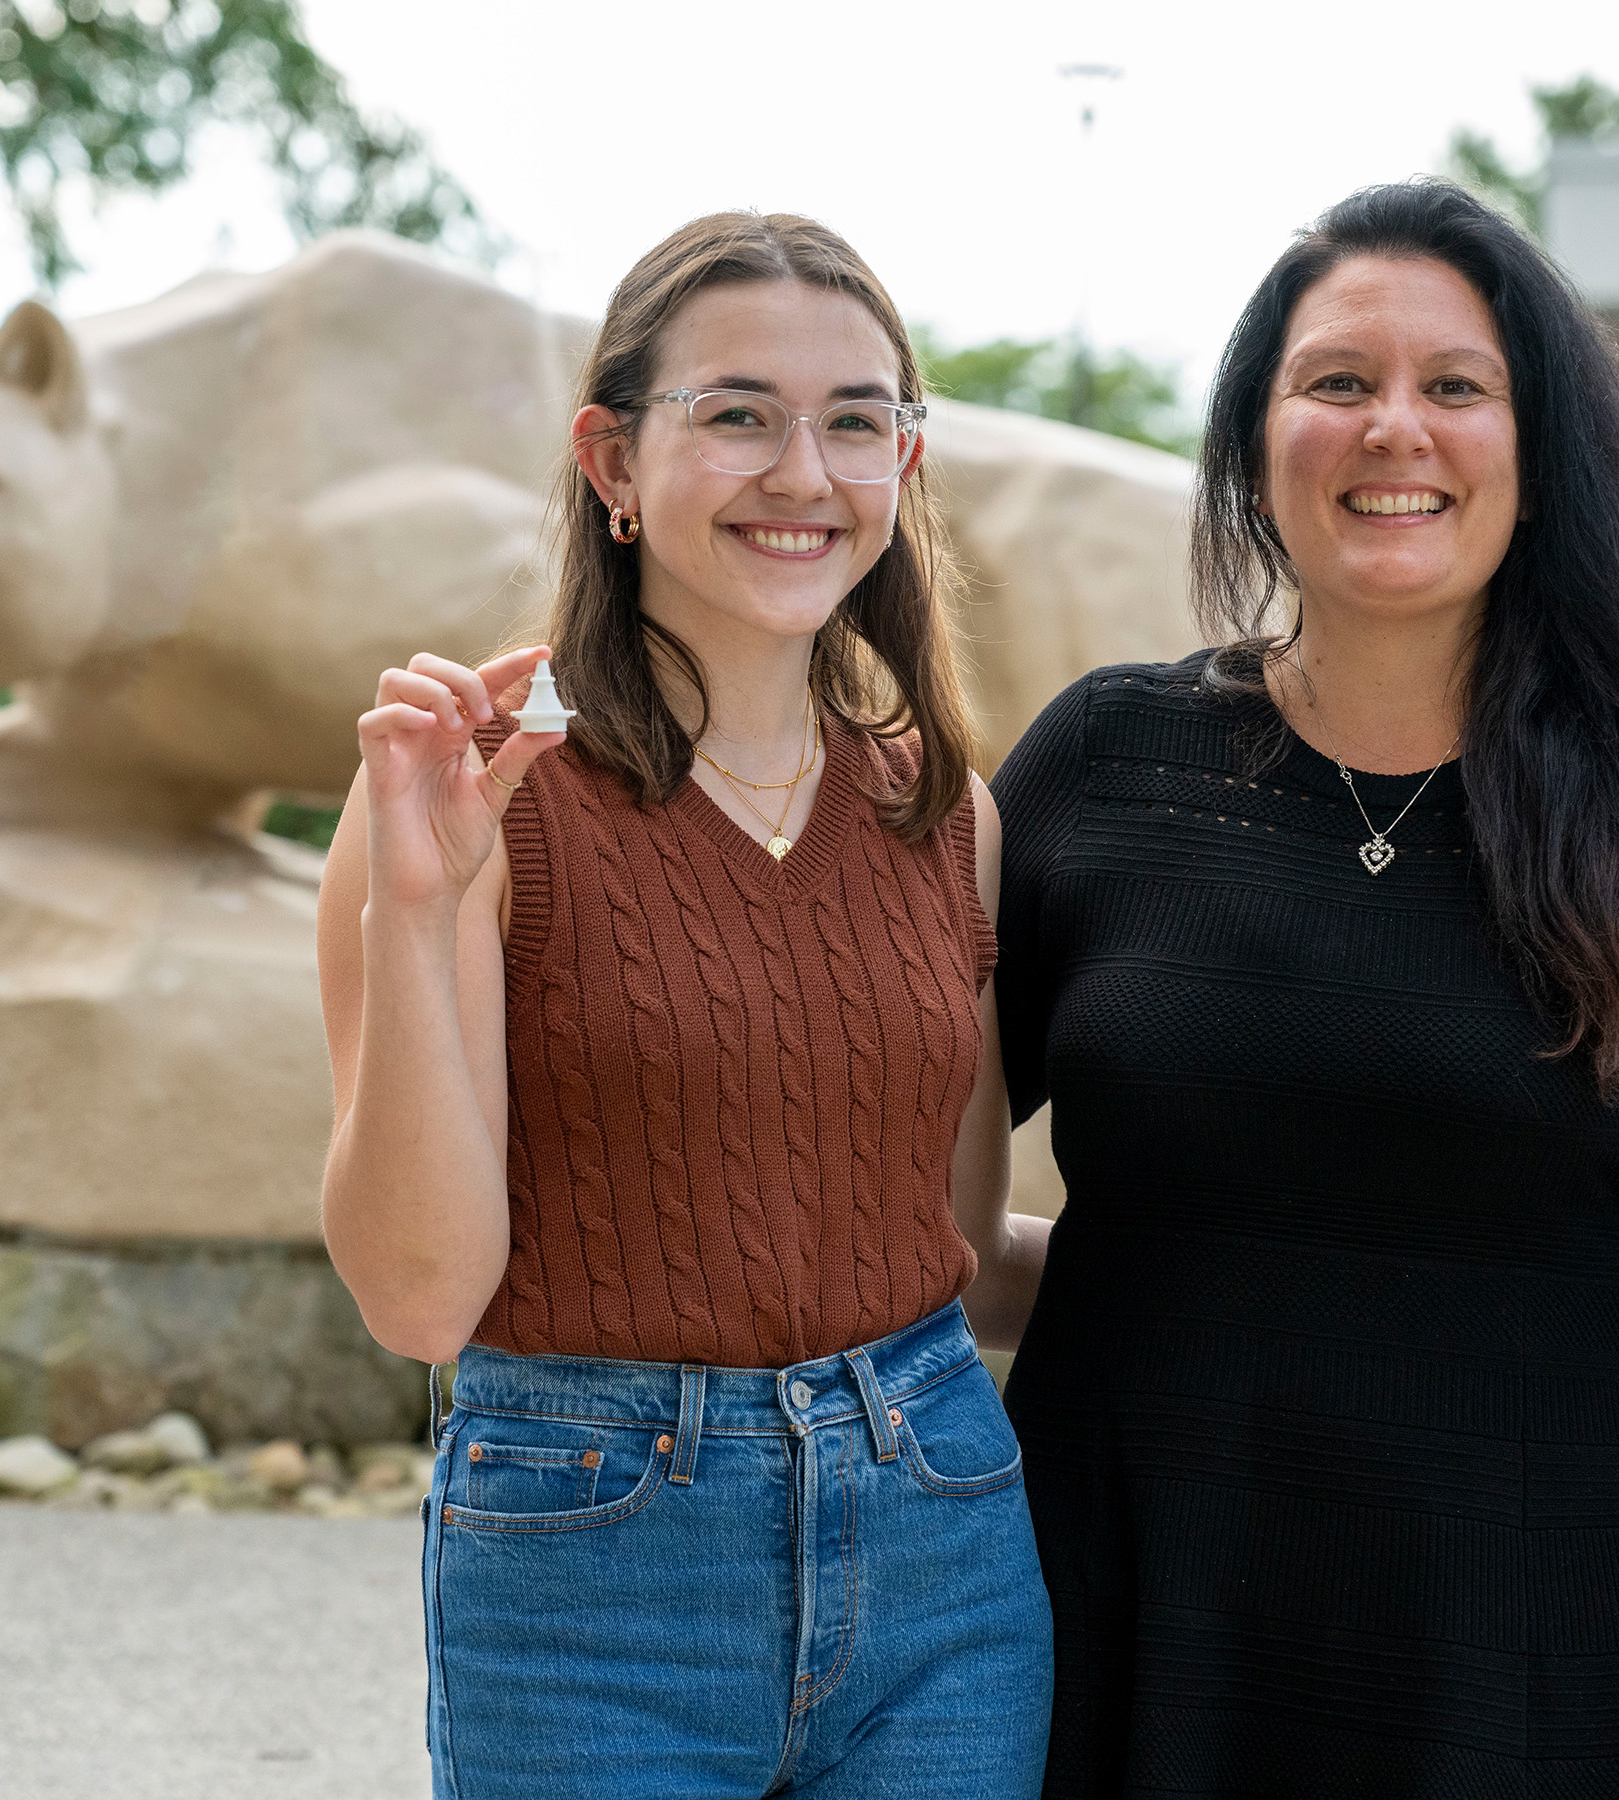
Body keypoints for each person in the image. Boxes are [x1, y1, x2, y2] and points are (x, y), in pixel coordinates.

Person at [992, 180, 1619, 1800]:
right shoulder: (1104, 765)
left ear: (1540, 458)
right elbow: (901, 1165)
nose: (1397, 428)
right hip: (1124, 1638)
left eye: (1457, 387)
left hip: (1528, 1663)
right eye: (1338, 383)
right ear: (1260, 441)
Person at [316, 211, 1053, 1799]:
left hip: (943, 1553)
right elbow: (421, 1304)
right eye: (736, 415)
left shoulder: (954, 820)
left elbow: (961, 1254)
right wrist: (418, 905)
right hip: (589, 1579)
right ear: (613, 462)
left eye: (858, 421)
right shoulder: (467, 806)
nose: (806, 472)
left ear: (904, 469)